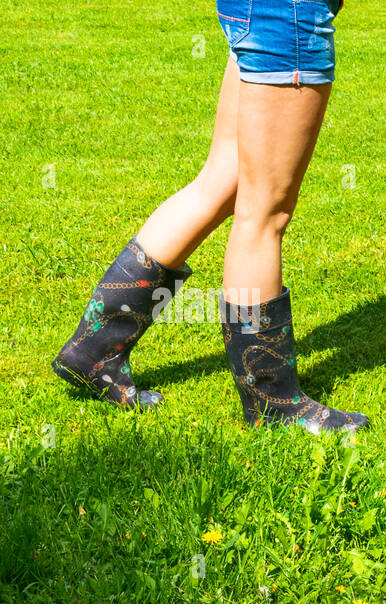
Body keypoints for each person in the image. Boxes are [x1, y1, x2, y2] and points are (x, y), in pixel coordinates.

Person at [52, 0, 366, 434]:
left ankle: (94, 351)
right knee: (264, 212)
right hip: (288, 17)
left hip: (259, 12)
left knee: (223, 182)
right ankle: (272, 401)